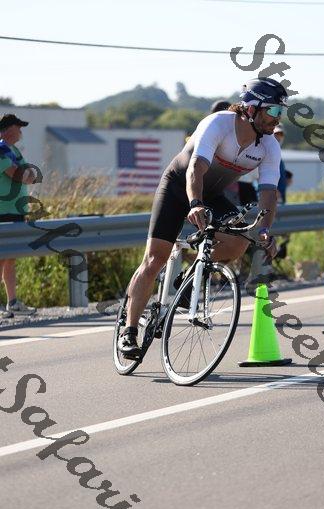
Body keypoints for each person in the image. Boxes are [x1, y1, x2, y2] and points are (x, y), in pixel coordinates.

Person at [118, 77, 288, 357]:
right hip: (178, 186)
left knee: (239, 242)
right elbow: (196, 167)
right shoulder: (219, 124)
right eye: (273, 110)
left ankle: (186, 282)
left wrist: (265, 230)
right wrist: (195, 203)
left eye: (281, 111)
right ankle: (129, 331)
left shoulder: (269, 146)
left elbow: (269, 192)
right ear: (250, 108)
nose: (277, 118)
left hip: (212, 194)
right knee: (155, 258)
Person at [0, 113, 37, 317]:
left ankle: (12, 302)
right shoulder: (1, 149)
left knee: (10, 257)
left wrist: (26, 175)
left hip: (15, 211)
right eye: (18, 127)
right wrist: (26, 175)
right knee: (1, 257)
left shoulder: (13, 150)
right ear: (7, 129)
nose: (21, 131)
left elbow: (29, 175)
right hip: (3, 211)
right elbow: (16, 174)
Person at [273, 123, 287, 204]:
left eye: (281, 134)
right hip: (271, 195)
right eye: (276, 134)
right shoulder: (268, 152)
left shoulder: (277, 154)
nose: (278, 137)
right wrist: (275, 190)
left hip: (280, 196)